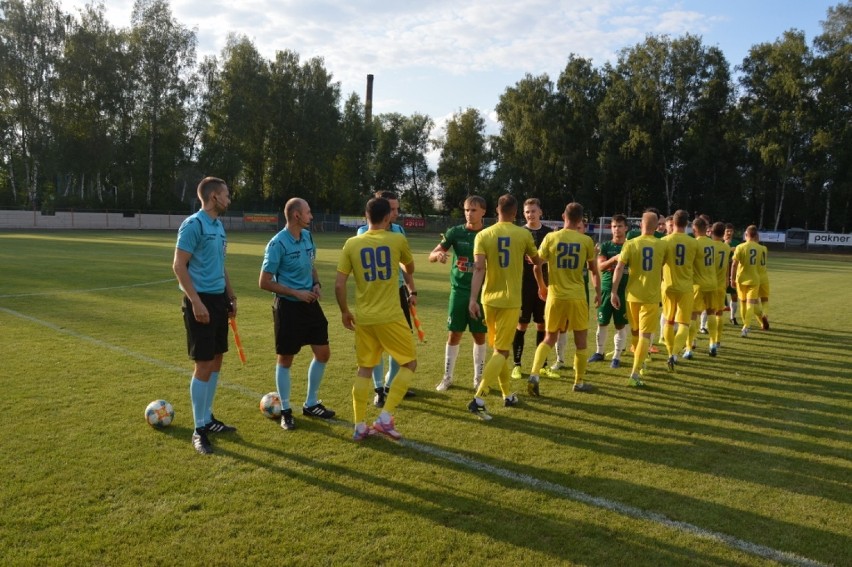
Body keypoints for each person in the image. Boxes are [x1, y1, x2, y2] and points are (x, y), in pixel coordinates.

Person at [335, 197, 417, 441]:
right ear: (387, 217)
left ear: (365, 216)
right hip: (390, 315)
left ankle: (360, 425)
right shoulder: (397, 239)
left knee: (365, 369)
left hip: (365, 318)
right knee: (409, 364)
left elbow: (339, 284)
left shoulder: (351, 243)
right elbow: (409, 269)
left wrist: (344, 311)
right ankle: (384, 418)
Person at [172, 177, 238, 455]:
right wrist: (195, 301)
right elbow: (178, 265)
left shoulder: (219, 226)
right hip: (200, 301)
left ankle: (208, 418)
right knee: (203, 363)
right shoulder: (194, 224)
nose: (229, 199)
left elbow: (220, 265)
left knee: (217, 357)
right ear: (213, 197)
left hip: (219, 299)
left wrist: (230, 296)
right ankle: (199, 429)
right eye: (226, 195)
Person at [259, 198, 335, 432]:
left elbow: (311, 264)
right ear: (296, 216)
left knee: (323, 353)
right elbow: (264, 282)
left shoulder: (308, 237)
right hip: (288, 307)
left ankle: (311, 403)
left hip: (309, 304)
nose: (311, 216)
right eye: (308, 212)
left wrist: (316, 283)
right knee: (286, 359)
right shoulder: (277, 244)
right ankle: (286, 411)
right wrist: (296, 293)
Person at [467, 194, 542, 420]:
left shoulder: (483, 234)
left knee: (499, 351)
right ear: (516, 212)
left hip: (489, 299)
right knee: (501, 351)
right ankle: (478, 399)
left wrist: (473, 299)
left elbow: (479, 269)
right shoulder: (523, 234)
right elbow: (537, 260)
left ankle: (507, 394)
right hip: (510, 301)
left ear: (497, 211)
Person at [527, 203, 600, 394]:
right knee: (581, 341)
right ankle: (579, 382)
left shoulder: (551, 237)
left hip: (555, 296)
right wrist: (599, 293)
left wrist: (542, 287)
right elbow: (593, 270)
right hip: (577, 296)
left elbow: (537, 266)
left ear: (563, 216)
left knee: (550, 337)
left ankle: (534, 374)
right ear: (581, 220)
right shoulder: (586, 241)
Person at [357, 191, 417, 406]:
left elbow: (405, 264)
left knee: (398, 342)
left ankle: (392, 385)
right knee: (377, 347)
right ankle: (379, 388)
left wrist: (412, 290)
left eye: (397, 208)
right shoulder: (363, 232)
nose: (395, 213)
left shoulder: (399, 231)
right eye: (391, 209)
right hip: (375, 296)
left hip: (397, 291)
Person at [430, 196, 489, 392]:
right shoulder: (455, 232)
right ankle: (447, 377)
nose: (468, 214)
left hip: (481, 293)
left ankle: (478, 378)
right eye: (466, 210)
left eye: (473, 210)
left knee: (479, 335)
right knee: (454, 333)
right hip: (459, 292)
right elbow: (432, 254)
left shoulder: (489, 234)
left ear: (483, 212)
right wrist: (438, 255)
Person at [611, 211, 671, 387]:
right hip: (651, 296)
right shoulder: (662, 245)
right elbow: (663, 265)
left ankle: (640, 364)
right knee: (645, 335)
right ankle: (636, 372)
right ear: (656, 226)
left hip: (632, 295)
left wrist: (614, 291)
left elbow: (619, 268)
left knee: (636, 332)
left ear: (640, 225)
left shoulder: (630, 244)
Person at [511, 198, 557, 380]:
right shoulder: (519, 233)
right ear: (524, 214)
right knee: (521, 324)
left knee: (542, 324)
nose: (530, 214)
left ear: (540, 212)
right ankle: (517, 365)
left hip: (545, 286)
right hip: (524, 286)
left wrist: (541, 260)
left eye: (533, 211)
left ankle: (543, 365)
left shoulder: (549, 234)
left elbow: (553, 258)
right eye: (527, 211)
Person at [588, 214, 629, 369]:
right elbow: (600, 266)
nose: (616, 229)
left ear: (625, 228)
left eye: (619, 226)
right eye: (613, 226)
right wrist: (615, 259)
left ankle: (617, 356)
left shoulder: (630, 246)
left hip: (623, 291)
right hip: (606, 290)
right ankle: (599, 352)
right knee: (602, 322)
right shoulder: (605, 246)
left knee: (620, 324)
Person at [661, 210, 700, 371]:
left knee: (669, 321)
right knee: (684, 323)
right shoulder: (693, 243)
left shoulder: (664, 241)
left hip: (668, 286)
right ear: (687, 224)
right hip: (686, 287)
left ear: (673, 223)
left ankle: (670, 352)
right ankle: (675, 353)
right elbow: (697, 266)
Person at [683, 216, 717, 359]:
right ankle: (713, 344)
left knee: (693, 316)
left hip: (698, 284)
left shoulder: (694, 244)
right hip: (712, 283)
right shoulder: (713, 243)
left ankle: (689, 348)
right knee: (711, 314)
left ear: (695, 229)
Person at [731, 225, 764, 337]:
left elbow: (734, 264)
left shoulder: (740, 247)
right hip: (754, 279)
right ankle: (746, 327)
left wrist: (732, 278)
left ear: (746, 234)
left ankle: (745, 325)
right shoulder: (760, 248)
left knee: (743, 303)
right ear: (755, 236)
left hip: (741, 279)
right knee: (751, 304)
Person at [708, 222, 731, 356]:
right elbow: (727, 266)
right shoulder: (726, 247)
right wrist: (727, 279)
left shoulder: (708, 246)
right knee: (719, 313)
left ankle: (691, 343)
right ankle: (717, 340)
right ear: (723, 233)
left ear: (711, 232)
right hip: (721, 284)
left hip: (707, 282)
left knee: (697, 314)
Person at [724, 223, 742, 325]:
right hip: (721, 275)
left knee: (734, 296)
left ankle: (732, 317)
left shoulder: (737, 243)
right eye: (727, 231)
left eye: (731, 231)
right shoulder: (719, 242)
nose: (729, 233)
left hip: (733, 274)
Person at [756, 235, 770, 330]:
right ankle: (765, 314)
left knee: (753, 301)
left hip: (754, 277)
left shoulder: (750, 248)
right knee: (764, 299)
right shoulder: (764, 248)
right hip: (764, 278)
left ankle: (761, 319)